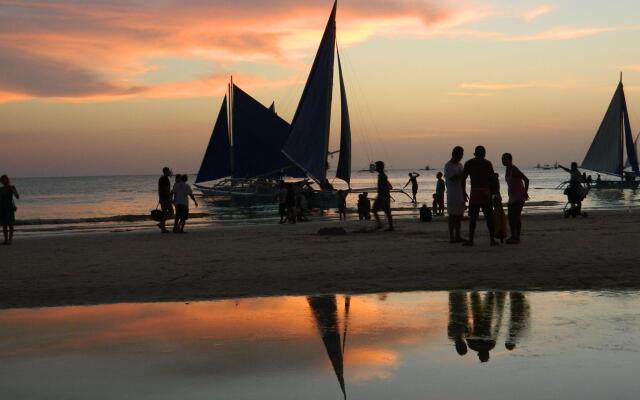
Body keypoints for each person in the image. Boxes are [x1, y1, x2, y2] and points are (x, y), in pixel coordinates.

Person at [462, 146, 497, 246]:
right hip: (485, 191)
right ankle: (492, 240)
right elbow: (493, 179)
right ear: (484, 153)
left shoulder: (469, 163)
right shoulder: (487, 163)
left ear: (475, 153)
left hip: (475, 191)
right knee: (489, 217)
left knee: (473, 218)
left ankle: (471, 240)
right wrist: (495, 192)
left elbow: (463, 179)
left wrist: (463, 191)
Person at [502, 153, 529, 244]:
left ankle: (517, 237)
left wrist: (525, 192)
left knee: (516, 217)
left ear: (509, 160)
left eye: (504, 159)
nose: (502, 161)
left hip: (519, 196)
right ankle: (513, 235)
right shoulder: (507, 169)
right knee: (511, 217)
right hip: (512, 196)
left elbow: (526, 179)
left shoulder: (515, 170)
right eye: (502, 159)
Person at [444, 146, 466, 244]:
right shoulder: (448, 165)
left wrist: (465, 192)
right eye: (459, 155)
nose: (460, 157)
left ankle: (458, 235)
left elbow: (463, 180)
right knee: (452, 216)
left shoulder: (460, 165)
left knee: (459, 215)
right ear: (454, 154)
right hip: (452, 194)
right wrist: (461, 174)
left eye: (461, 155)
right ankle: (452, 237)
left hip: (460, 193)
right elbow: (451, 178)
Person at [372, 161, 393, 231]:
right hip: (382, 196)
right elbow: (388, 186)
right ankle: (386, 226)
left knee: (385, 211)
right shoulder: (381, 175)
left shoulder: (382, 176)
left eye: (377, 166)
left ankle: (385, 226)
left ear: (380, 167)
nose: (375, 167)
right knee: (385, 211)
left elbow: (386, 187)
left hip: (383, 196)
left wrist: (382, 195)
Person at [0, 175, 20, 245]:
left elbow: (17, 196)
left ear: (7, 180)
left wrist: (14, 191)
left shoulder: (12, 187)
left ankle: (10, 239)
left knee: (10, 224)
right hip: (2, 208)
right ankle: (6, 240)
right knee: (4, 225)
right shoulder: (1, 189)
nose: (4, 181)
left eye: (5, 179)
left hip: (9, 207)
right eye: (2, 180)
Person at [492, 174, 507, 244]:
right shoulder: (495, 182)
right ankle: (499, 236)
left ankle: (499, 236)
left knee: (498, 219)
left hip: (496, 198)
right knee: (499, 218)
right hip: (496, 197)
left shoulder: (494, 182)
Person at [157, 167, 173, 233]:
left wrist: (160, 198)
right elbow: (166, 189)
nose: (170, 172)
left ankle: (163, 228)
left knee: (164, 212)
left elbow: (159, 189)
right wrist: (170, 197)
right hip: (166, 198)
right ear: (165, 171)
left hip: (162, 198)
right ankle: (161, 224)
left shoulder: (161, 178)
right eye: (168, 171)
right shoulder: (165, 179)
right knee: (171, 212)